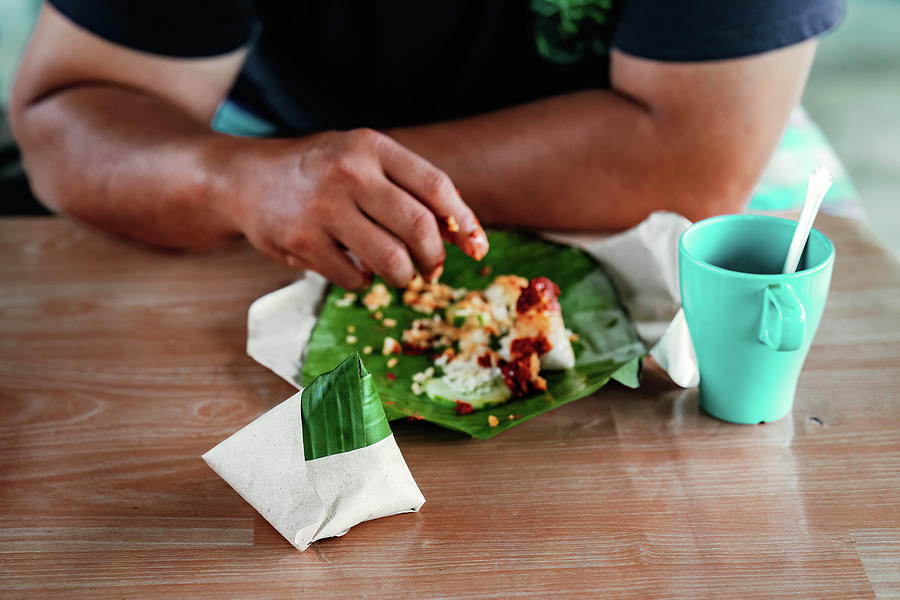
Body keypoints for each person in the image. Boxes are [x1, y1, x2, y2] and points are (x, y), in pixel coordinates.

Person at [10, 1, 842, 290]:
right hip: (257, 137)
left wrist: (341, 181)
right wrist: (247, 181)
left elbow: (695, 162)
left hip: (719, 124)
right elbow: (63, 118)